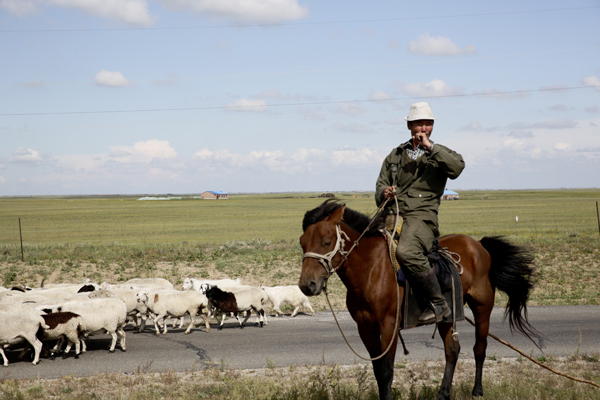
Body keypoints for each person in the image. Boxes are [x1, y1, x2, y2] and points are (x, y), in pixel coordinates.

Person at [375, 102, 465, 324]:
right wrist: (383, 191)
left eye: (428, 124)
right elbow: (380, 184)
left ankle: (438, 303)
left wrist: (431, 148)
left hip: (421, 217)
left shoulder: (441, 153)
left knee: (406, 252)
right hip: (392, 214)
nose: (423, 128)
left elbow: (457, 168)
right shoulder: (395, 155)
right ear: (409, 125)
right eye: (419, 124)